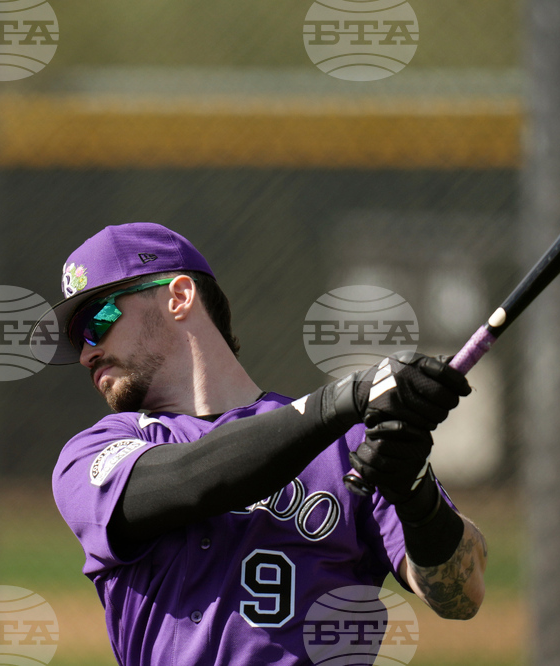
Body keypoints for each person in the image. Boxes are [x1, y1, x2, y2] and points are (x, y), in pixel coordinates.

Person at [34, 222, 488, 665]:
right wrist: (345, 398)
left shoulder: (347, 442)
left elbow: (461, 596)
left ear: (178, 297)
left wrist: (414, 491)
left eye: (96, 322)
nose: (86, 353)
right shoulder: (97, 450)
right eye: (77, 341)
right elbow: (190, 478)